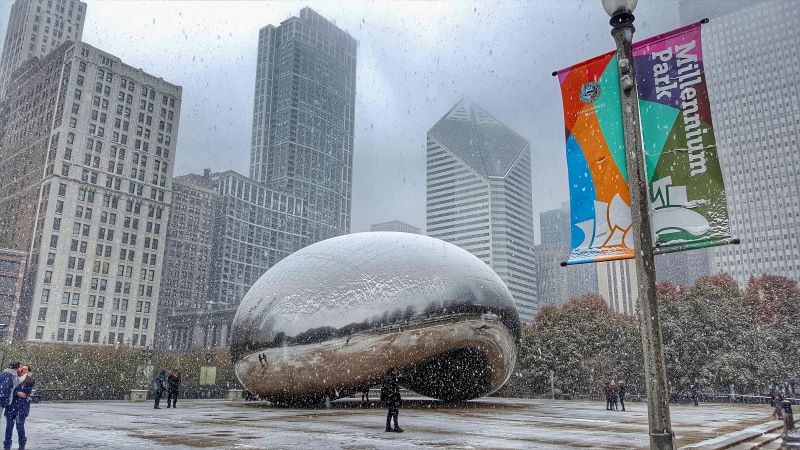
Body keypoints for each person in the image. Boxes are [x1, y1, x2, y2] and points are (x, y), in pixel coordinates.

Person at [4, 365, 33, 450]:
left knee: (20, 426)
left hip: (22, 407)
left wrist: (27, 377)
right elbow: (8, 390)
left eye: (26, 369)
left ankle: (22, 444)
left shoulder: (30, 380)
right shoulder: (13, 378)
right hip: (11, 406)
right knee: (9, 426)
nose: (24, 370)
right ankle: (7, 444)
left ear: (29, 371)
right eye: (22, 369)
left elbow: (26, 393)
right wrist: (17, 393)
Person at [381, 367, 403, 432]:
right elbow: (392, 390)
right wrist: (395, 397)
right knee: (395, 412)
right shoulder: (390, 379)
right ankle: (396, 427)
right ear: (392, 371)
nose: (396, 372)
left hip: (391, 398)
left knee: (390, 413)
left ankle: (388, 427)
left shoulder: (390, 378)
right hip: (392, 398)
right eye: (395, 371)